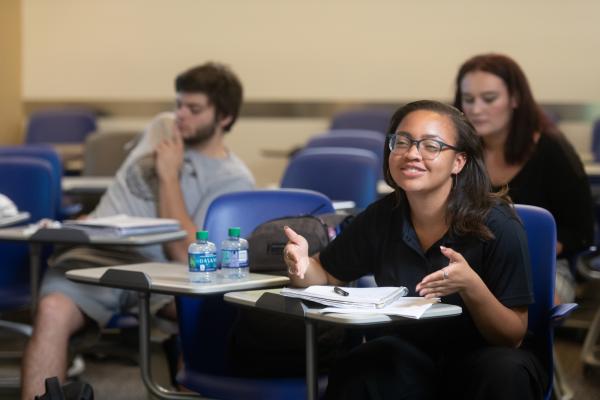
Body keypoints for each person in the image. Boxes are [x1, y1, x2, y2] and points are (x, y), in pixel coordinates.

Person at [21, 62, 255, 399]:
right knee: (51, 311)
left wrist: (169, 177)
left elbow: (185, 252)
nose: (180, 116)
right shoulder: (163, 128)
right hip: (96, 253)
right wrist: (87, 221)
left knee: (206, 314)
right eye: (178, 105)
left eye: (194, 109)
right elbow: (119, 199)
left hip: (164, 270)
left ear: (225, 118)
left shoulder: (233, 178)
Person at [284, 100, 547, 399]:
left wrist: (472, 286)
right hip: (412, 356)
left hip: (486, 356)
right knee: (362, 363)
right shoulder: (382, 217)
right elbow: (326, 274)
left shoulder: (497, 223)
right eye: (402, 142)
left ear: (458, 161)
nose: (411, 154)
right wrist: (301, 266)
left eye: (431, 146)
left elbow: (512, 336)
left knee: (503, 371)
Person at [453, 53, 594, 303]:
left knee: (517, 301)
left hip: (543, 263)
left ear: (515, 98)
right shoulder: (458, 150)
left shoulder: (551, 149)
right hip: (469, 263)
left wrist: (513, 256)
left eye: (489, 99)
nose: (476, 109)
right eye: (468, 99)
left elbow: (580, 232)